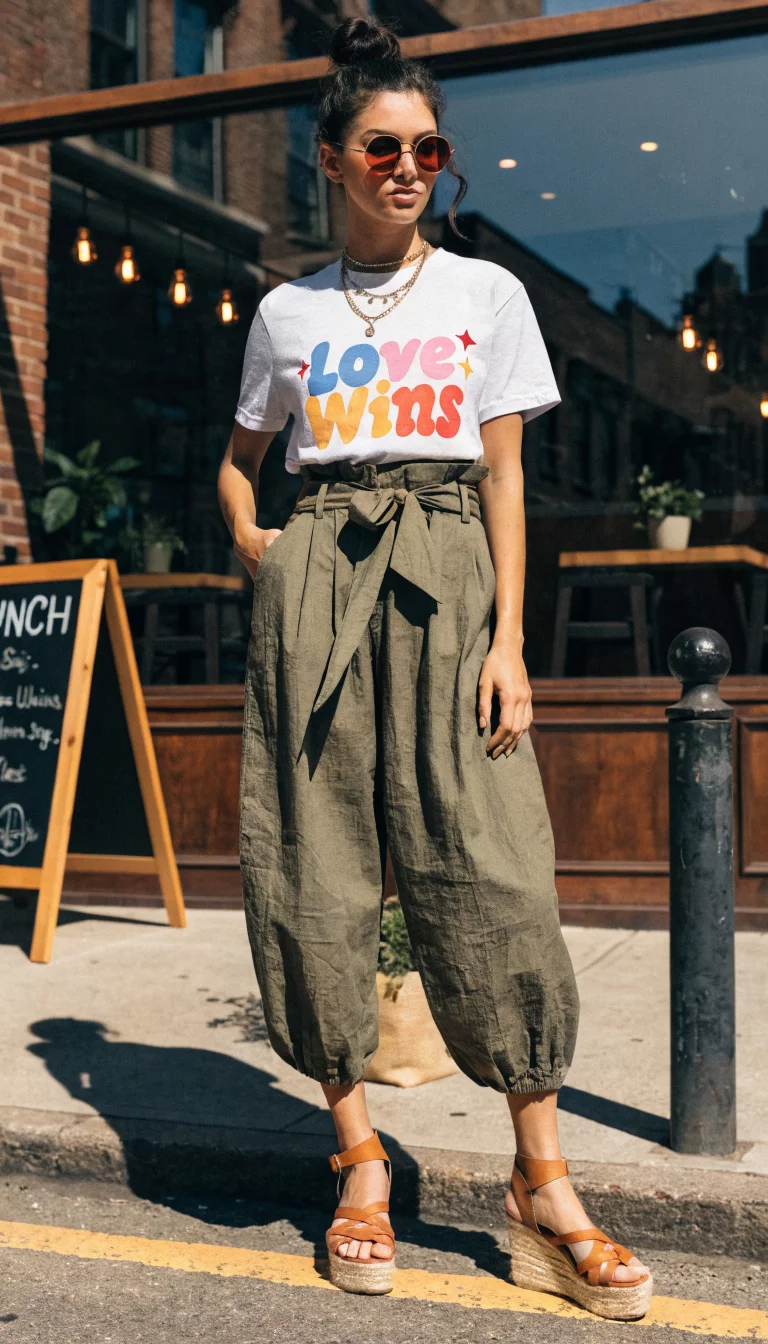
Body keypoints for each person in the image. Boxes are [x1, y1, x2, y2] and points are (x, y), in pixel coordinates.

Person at [218, 15, 652, 1319]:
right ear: (336, 160)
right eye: (383, 146)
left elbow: (509, 479)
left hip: (452, 575)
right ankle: (356, 1156)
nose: (408, 165)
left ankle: (542, 1179)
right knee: (317, 870)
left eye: (427, 146)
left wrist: (511, 641)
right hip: (324, 588)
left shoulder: (486, 295)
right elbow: (239, 472)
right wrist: (276, 560)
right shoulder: (286, 310)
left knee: (497, 872)